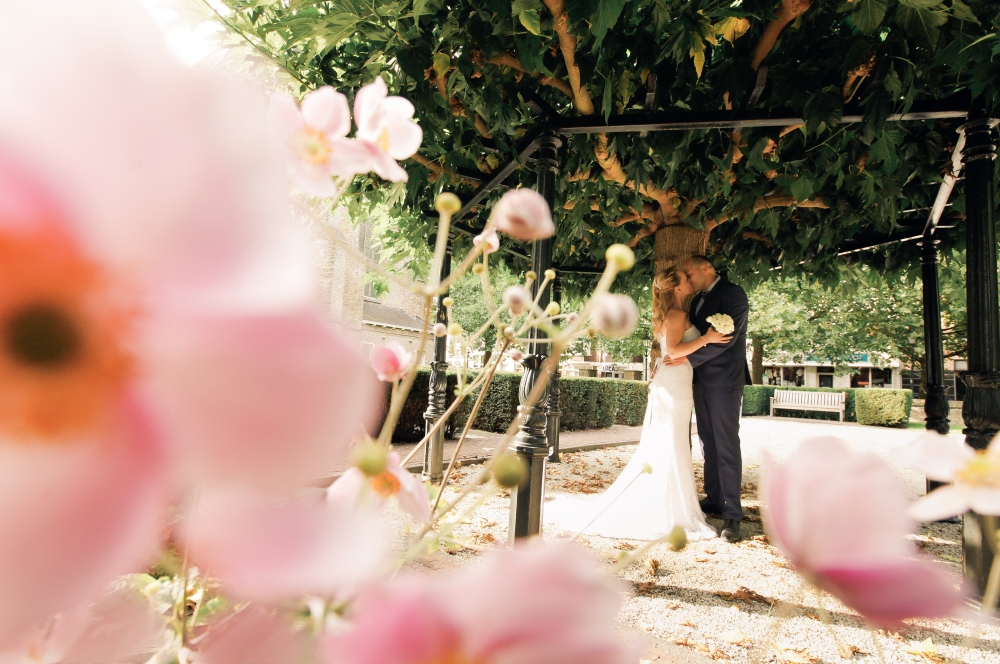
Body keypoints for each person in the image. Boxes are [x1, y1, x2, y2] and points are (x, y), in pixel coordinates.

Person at [545, 266, 730, 541]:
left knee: (672, 441)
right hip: (675, 384)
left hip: (674, 380)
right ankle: (667, 509)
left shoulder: (675, 312)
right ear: (677, 289)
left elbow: (670, 351)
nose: (690, 281)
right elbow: (676, 350)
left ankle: (672, 504)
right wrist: (707, 338)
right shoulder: (677, 314)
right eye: (685, 278)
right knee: (671, 442)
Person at [667, 255, 750, 542]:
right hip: (701, 380)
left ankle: (733, 515)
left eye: (689, 274)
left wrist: (688, 357)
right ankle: (714, 498)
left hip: (725, 381)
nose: (687, 280)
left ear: (706, 268)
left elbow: (729, 336)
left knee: (726, 444)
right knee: (707, 441)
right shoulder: (700, 298)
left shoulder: (733, 294)